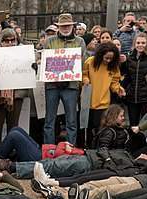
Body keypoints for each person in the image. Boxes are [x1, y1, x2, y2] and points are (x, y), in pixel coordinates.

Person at [42, 13, 87, 145]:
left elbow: (82, 62)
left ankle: (70, 148)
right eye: (63, 26)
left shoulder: (80, 41)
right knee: (49, 120)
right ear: (58, 27)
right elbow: (44, 60)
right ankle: (49, 148)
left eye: (68, 25)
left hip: (71, 86)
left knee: (71, 120)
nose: (66, 28)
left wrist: (71, 76)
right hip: (52, 85)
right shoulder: (49, 41)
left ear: (72, 26)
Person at [82, 42, 124, 148]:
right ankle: (87, 148)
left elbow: (114, 82)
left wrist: (118, 89)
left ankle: (98, 148)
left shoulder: (113, 66)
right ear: (100, 55)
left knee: (100, 130)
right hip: (88, 102)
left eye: (111, 58)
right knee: (87, 128)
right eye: (106, 58)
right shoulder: (90, 61)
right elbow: (83, 74)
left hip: (103, 104)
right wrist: (85, 80)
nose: (108, 60)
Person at [121, 32, 147, 126]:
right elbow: (127, 76)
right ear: (134, 43)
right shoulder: (130, 57)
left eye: (143, 43)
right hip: (132, 97)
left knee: (145, 124)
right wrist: (122, 88)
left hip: (146, 97)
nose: (140, 45)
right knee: (133, 124)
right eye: (138, 43)